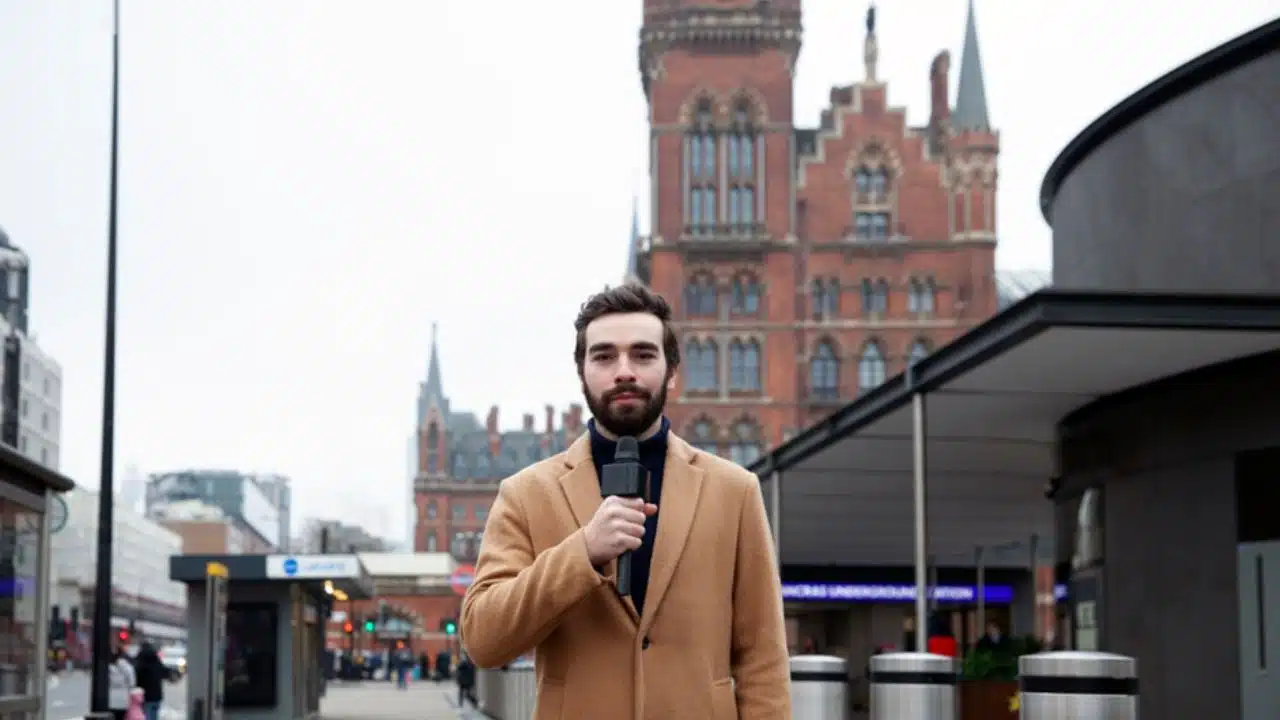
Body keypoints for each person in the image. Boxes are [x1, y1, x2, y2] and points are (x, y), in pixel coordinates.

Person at [461, 284, 790, 718]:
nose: (624, 371)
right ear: (581, 372)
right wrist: (582, 553)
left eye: (643, 354)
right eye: (603, 356)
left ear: (672, 370)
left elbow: (762, 661)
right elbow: (484, 640)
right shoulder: (525, 494)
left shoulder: (734, 490)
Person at [132, 642, 166, 720]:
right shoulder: (156, 661)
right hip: (156, 695)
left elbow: (135, 678)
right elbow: (164, 673)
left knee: (145, 715)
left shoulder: (139, 662)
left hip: (144, 696)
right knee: (154, 716)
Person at [107, 644, 136, 720]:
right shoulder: (127, 667)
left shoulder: (106, 667)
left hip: (109, 699)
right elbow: (132, 682)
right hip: (123, 700)